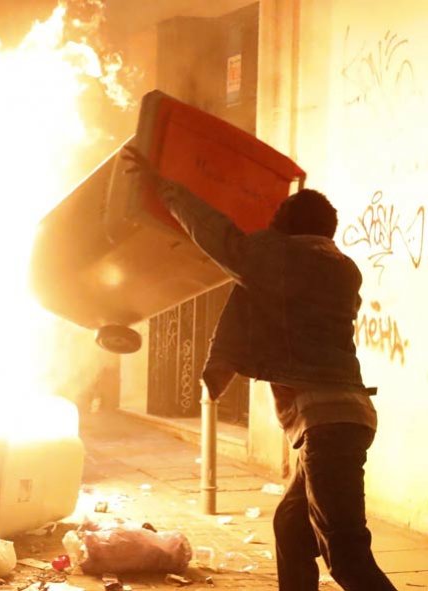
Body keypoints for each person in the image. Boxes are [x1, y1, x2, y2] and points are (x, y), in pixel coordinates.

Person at [122, 146, 395, 591]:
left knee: (346, 555)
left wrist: (165, 187)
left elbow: (219, 235)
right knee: (291, 527)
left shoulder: (280, 261)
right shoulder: (343, 269)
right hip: (350, 416)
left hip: (326, 426)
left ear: (286, 228)